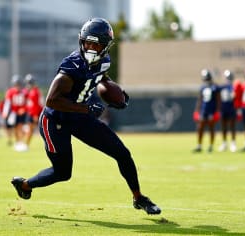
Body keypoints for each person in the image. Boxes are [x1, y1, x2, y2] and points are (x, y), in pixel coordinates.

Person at [10, 18, 161, 215]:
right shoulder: (71, 67)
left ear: (105, 46)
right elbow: (52, 101)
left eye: (95, 44)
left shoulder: (104, 61)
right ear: (81, 42)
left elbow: (101, 77)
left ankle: (139, 198)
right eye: (87, 42)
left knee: (122, 154)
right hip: (55, 120)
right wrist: (87, 108)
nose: (90, 47)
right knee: (63, 172)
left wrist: (115, 91)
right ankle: (26, 186)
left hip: (79, 118)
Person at [193, 69, 220, 153]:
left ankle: (211, 146)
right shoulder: (203, 87)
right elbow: (200, 99)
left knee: (211, 128)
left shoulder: (214, 87)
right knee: (200, 127)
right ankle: (199, 145)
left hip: (211, 110)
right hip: (203, 110)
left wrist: (217, 111)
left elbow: (218, 100)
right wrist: (197, 110)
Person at [2, 75, 28, 152]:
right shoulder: (10, 92)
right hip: (14, 113)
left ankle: (21, 142)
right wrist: (5, 112)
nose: (17, 86)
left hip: (22, 113)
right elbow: (8, 103)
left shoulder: (24, 92)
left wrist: (24, 109)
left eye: (18, 84)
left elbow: (27, 103)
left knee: (21, 127)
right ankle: (18, 142)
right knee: (16, 128)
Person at [218, 70, 237, 152]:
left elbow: (235, 96)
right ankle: (224, 143)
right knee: (223, 127)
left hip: (231, 108)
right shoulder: (222, 87)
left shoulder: (233, 86)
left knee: (232, 126)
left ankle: (233, 143)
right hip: (223, 109)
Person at [23, 73, 44, 147]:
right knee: (30, 130)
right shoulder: (32, 91)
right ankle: (25, 144)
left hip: (34, 113)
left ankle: (26, 144)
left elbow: (36, 105)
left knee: (30, 130)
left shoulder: (34, 92)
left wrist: (35, 115)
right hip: (31, 113)